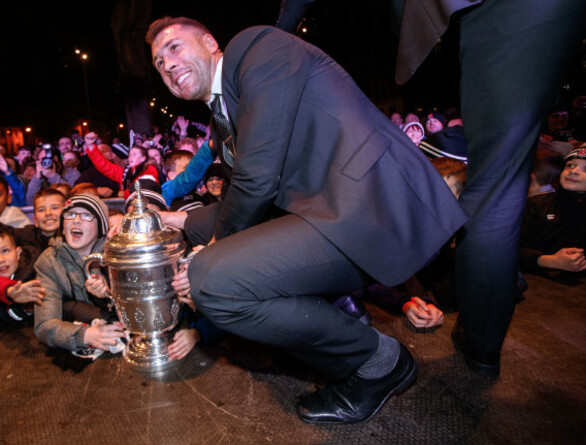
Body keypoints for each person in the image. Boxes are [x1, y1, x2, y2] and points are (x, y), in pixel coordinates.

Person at [147, 17, 466, 424]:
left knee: (211, 280)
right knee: (199, 228)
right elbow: (236, 195)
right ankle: (330, 333)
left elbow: (258, 175)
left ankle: (376, 362)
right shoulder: (222, 109)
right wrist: (176, 219)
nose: (168, 65)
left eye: (174, 48)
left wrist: (209, 250)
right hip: (322, 210)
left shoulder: (256, 47)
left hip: (367, 207)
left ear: (210, 42)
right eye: (158, 63)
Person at [392, 0, 586, 377]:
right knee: (503, 183)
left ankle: (478, 341)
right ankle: (484, 348)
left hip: (501, 17)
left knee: (494, 188)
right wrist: (406, 299)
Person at [33, 194, 126, 356]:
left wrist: (108, 294)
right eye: (70, 215)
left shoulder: (119, 253)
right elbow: (44, 324)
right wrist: (85, 335)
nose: (76, 220)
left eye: (86, 215)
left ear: (101, 228)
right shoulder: (49, 261)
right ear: (62, 227)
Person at [519, 146, 586, 274]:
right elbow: (508, 249)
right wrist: (548, 260)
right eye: (570, 165)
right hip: (535, 285)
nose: (574, 171)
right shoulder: (536, 204)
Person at [0, 188, 66, 255]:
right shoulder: (27, 235)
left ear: (67, 214)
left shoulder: (77, 238)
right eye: (41, 209)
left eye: (55, 207)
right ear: (35, 220)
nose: (48, 213)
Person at [83, 132, 159, 200]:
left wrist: (123, 193)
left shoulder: (150, 169)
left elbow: (142, 189)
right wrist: (90, 145)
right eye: (130, 154)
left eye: (134, 154)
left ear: (143, 158)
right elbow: (103, 165)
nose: (130, 156)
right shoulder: (126, 172)